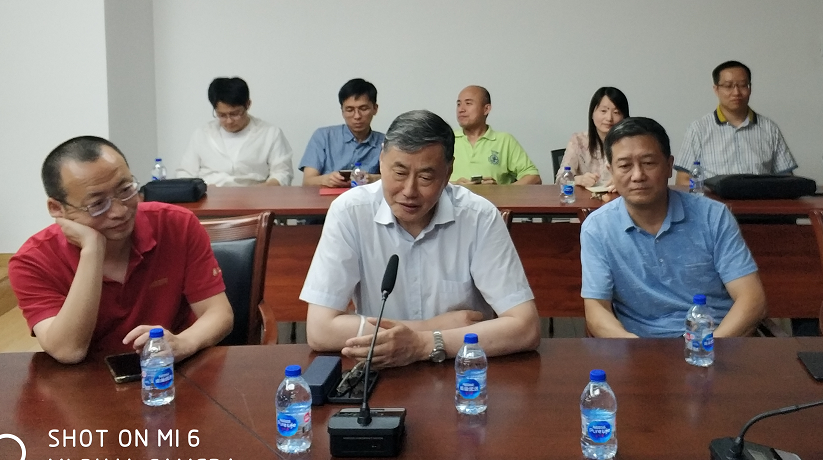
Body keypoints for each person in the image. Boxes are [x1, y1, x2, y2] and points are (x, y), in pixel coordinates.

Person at [301, 110, 540, 368]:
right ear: (381, 160)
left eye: (426, 177)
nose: (409, 191)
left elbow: (526, 328)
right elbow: (319, 330)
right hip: (381, 370)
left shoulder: (478, 217)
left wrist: (425, 344)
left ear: (448, 172)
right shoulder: (350, 212)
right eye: (399, 173)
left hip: (462, 372)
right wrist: (431, 327)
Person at [9, 136, 234, 364]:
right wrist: (92, 251)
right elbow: (68, 351)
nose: (120, 211)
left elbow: (218, 314)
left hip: (171, 369)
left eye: (126, 190)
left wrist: (183, 343)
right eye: (97, 204)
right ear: (57, 208)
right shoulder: (32, 261)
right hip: (88, 378)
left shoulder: (176, 224)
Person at [580, 117, 767, 338]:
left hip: (717, 341)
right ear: (610, 171)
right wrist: (636, 350)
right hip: (641, 347)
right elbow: (597, 311)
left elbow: (752, 299)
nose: (638, 175)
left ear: (669, 166)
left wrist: (704, 348)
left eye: (649, 163)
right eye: (625, 166)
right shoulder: (598, 228)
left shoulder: (713, 216)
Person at [675, 61, 797, 184]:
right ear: (716, 89)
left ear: (750, 88)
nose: (736, 92)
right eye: (728, 86)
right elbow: (683, 180)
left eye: (743, 85)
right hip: (713, 197)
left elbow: (786, 180)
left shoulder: (770, 129)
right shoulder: (698, 129)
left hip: (759, 196)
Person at [177, 77, 294, 186]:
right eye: (222, 115)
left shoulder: (270, 133)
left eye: (235, 114)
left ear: (248, 104)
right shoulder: (202, 134)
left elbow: (283, 173)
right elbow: (185, 173)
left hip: (255, 196)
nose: (229, 121)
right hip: (210, 196)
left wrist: (259, 192)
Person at [300, 78, 385, 187]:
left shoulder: (386, 142)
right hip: (328, 197)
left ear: (375, 109)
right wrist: (325, 180)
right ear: (342, 111)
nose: (357, 116)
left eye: (363, 109)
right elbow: (307, 181)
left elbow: (397, 179)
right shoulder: (323, 136)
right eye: (350, 110)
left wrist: (373, 179)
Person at [451, 86, 541, 185]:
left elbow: (534, 178)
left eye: (468, 103)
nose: (461, 109)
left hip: (493, 196)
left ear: (486, 109)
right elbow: (436, 179)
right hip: (454, 195)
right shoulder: (447, 139)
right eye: (458, 104)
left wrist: (499, 190)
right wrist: (455, 186)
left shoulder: (505, 140)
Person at [556, 87, 630, 188]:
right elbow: (560, 179)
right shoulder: (578, 140)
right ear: (592, 113)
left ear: (624, 117)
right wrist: (578, 180)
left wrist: (623, 181)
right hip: (586, 198)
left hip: (620, 197)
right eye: (603, 111)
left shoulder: (631, 143)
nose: (609, 118)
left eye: (616, 112)